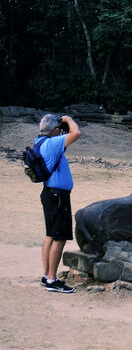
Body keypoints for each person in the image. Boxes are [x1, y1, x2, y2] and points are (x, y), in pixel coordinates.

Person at [33, 113, 80, 292]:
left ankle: (46, 276)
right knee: (59, 237)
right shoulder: (52, 143)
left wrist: (62, 126)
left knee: (50, 235)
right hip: (57, 196)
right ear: (53, 130)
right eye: (59, 129)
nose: (61, 132)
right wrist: (67, 119)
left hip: (50, 194)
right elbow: (76, 133)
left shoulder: (40, 142)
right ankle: (53, 280)